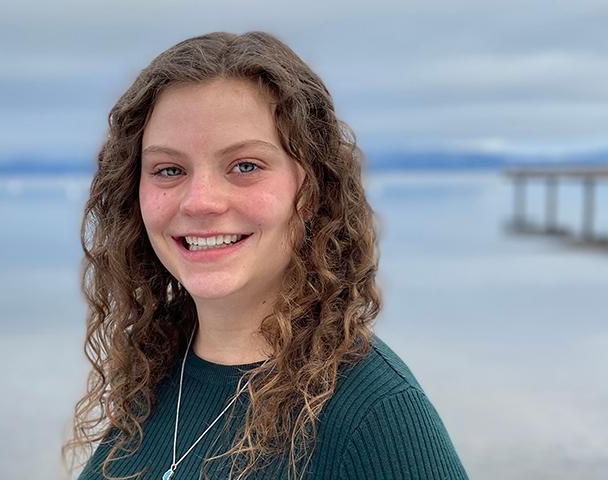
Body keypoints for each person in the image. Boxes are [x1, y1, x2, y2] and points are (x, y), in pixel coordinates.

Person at [64, 31, 468, 480]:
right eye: (169, 170)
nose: (200, 201)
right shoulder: (154, 377)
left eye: (245, 166)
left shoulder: (375, 414)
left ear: (314, 189)